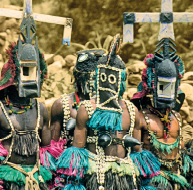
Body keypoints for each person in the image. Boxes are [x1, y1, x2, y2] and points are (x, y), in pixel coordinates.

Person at [0, 15, 59, 190]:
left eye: (34, 72)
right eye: (26, 72)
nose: (31, 79)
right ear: (13, 76)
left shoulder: (41, 110)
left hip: (35, 179)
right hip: (5, 179)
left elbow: (47, 154)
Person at [56, 35, 158, 190]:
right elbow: (77, 151)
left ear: (121, 80)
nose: (109, 83)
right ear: (98, 78)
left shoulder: (131, 110)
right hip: (96, 177)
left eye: (113, 79)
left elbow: (137, 152)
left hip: (126, 178)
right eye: (105, 78)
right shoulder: (87, 109)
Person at [131, 38, 193, 190]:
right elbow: (135, 154)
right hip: (152, 181)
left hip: (177, 179)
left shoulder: (177, 117)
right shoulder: (141, 117)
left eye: (170, 86)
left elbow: (180, 147)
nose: (166, 92)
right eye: (163, 85)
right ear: (152, 84)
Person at [50, 49, 106, 148]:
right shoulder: (62, 104)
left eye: (97, 79)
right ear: (79, 77)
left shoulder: (106, 105)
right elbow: (53, 146)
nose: (95, 83)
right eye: (91, 78)